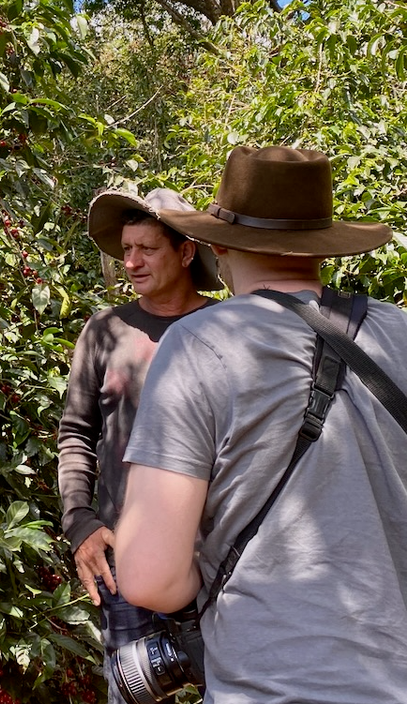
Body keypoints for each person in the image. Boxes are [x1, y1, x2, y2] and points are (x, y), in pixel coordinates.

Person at [114, 145, 407, 703]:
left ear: (217, 242)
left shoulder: (201, 343)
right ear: (323, 244)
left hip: (273, 684)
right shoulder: (401, 332)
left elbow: (151, 576)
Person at [57, 188, 221, 700]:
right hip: (124, 559)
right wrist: (80, 523)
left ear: (186, 251)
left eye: (146, 249)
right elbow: (76, 433)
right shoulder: (106, 331)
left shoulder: (227, 327)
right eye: (125, 250)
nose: (131, 262)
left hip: (219, 561)